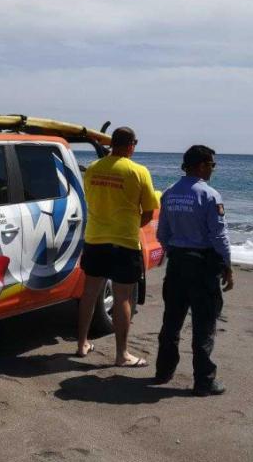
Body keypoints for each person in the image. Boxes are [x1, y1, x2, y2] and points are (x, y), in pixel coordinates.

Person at [75, 127, 160, 367]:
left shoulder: (93, 169)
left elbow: (90, 199)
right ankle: (121, 354)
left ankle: (81, 344)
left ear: (112, 144)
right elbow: (148, 212)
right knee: (123, 297)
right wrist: (131, 225)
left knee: (89, 294)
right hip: (124, 242)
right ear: (131, 144)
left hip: (95, 239)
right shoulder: (138, 171)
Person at [153, 145, 233, 396]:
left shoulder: (169, 194)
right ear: (200, 165)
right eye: (211, 165)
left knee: (172, 320)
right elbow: (219, 236)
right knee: (204, 324)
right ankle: (204, 381)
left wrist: (176, 252)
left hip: (177, 263)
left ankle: (163, 371)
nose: (213, 170)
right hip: (202, 266)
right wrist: (228, 264)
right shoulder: (209, 195)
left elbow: (162, 233)